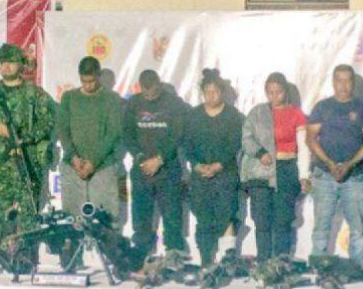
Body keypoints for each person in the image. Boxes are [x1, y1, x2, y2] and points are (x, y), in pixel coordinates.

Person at [0, 43, 56, 231]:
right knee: (0, 217)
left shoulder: (34, 94)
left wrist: (24, 137)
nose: (6, 67)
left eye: (10, 62)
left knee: (28, 218)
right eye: (2, 63)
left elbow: (47, 122)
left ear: (20, 64)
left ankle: (25, 259)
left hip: (25, 162)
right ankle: (3, 258)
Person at [307, 64, 363, 265]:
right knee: (321, 227)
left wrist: (349, 164)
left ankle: (359, 267)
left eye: (348, 80)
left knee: (358, 228)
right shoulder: (322, 107)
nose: (344, 85)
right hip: (324, 175)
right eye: (340, 80)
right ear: (333, 82)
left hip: (353, 176)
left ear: (353, 83)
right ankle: (318, 266)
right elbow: (311, 139)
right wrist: (329, 163)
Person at [242, 72, 309, 260]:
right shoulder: (257, 113)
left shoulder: (296, 113)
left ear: (285, 92)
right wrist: (260, 153)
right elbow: (246, 138)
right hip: (261, 171)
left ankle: (281, 262)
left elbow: (303, 147)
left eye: (278, 92)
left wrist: (304, 175)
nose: (274, 96)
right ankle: (263, 262)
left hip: (286, 169)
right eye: (270, 92)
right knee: (262, 220)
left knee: (283, 220)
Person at [123, 70, 189, 257]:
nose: (150, 98)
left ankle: (174, 254)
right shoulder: (133, 103)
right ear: (140, 87)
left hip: (168, 169)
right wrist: (140, 157)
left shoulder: (174, 103)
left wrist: (160, 159)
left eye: (153, 93)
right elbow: (127, 134)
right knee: (141, 217)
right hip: (141, 168)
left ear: (159, 85)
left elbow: (178, 134)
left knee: (172, 217)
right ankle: (142, 255)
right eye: (146, 94)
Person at [184, 69, 244, 266]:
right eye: (207, 92)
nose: (211, 96)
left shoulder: (233, 116)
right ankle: (205, 260)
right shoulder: (193, 115)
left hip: (225, 174)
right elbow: (187, 144)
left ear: (222, 92)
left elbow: (235, 144)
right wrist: (197, 165)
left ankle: (228, 259)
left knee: (226, 215)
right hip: (200, 176)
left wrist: (219, 165)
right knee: (204, 218)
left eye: (215, 92)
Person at [57, 56, 125, 223]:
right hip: (73, 167)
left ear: (99, 76)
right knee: (72, 223)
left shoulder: (112, 99)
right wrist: (73, 158)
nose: (87, 85)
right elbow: (63, 131)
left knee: (105, 222)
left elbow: (113, 134)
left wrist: (93, 162)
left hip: (103, 167)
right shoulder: (69, 98)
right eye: (83, 81)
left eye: (91, 81)